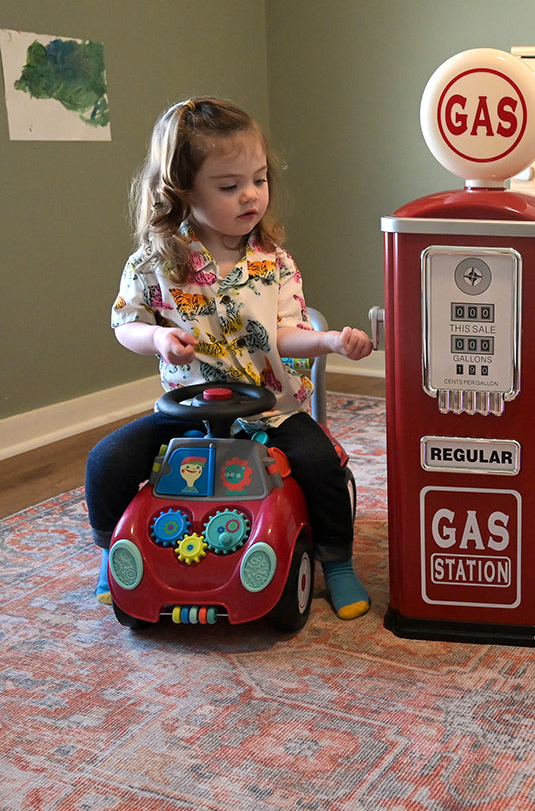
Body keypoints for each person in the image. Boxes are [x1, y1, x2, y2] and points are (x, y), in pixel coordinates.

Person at [86, 97, 374, 619]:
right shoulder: (155, 261)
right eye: (229, 186)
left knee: (321, 465)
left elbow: (286, 332)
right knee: (106, 461)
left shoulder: (274, 262)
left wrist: (329, 343)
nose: (251, 195)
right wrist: (158, 341)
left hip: (270, 412)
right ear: (182, 189)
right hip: (185, 411)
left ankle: (337, 560)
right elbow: (125, 324)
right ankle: (113, 553)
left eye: (259, 180)